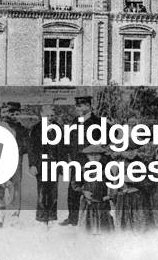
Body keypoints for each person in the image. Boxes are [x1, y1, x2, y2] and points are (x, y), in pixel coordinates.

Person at [60, 95, 93, 226]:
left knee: (92, 187)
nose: (78, 109)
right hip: (76, 161)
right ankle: (73, 218)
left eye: (81, 106)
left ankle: (91, 218)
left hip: (91, 160)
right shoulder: (75, 121)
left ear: (88, 106)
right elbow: (68, 140)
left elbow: (110, 137)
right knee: (73, 189)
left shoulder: (97, 122)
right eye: (77, 106)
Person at [28, 103, 62, 225]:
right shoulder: (36, 129)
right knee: (42, 192)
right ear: (41, 115)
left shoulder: (58, 128)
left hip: (54, 165)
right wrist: (32, 165)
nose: (50, 118)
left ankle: (52, 217)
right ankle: (42, 217)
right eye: (47, 115)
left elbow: (62, 148)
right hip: (41, 165)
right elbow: (32, 149)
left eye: (52, 115)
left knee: (53, 192)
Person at [73, 145, 113, 234]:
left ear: (100, 156)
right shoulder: (83, 170)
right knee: (88, 227)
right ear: (87, 156)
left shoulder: (106, 170)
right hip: (88, 203)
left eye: (97, 155)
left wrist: (109, 196)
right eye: (91, 155)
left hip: (102, 203)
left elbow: (114, 184)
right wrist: (84, 192)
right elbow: (75, 184)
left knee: (103, 228)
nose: (94, 157)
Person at [0, 101, 27, 220]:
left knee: (16, 186)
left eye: (16, 113)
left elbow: (26, 145)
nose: (14, 116)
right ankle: (0, 214)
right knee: (1, 185)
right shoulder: (2, 126)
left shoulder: (22, 129)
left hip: (17, 159)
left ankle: (14, 214)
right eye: (11, 113)